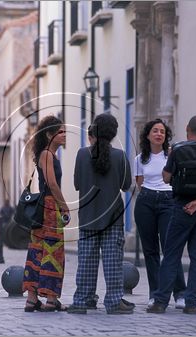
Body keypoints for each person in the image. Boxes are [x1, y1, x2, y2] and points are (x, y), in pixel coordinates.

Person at [147, 115, 196, 314]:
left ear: (188, 129)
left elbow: (165, 178)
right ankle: (192, 304)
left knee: (171, 254)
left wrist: (171, 160)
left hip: (180, 207)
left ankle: (161, 301)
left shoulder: (177, 152)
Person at [68, 114, 134, 315]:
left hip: (88, 216)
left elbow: (77, 184)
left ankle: (82, 300)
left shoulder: (81, 154)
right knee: (113, 261)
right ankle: (114, 301)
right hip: (112, 217)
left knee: (86, 261)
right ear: (113, 133)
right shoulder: (120, 156)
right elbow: (126, 186)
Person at [133, 119, 186, 310]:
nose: (159, 134)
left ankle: (180, 293)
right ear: (148, 135)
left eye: (162, 132)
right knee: (150, 251)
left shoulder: (171, 155)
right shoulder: (140, 159)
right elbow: (139, 182)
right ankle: (155, 294)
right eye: (155, 131)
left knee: (171, 248)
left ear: (166, 136)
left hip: (168, 201)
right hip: (146, 201)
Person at [22, 115, 69, 312]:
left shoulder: (47, 154)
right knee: (53, 253)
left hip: (41, 209)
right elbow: (51, 184)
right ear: (50, 135)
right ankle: (50, 299)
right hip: (50, 208)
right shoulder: (48, 155)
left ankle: (32, 299)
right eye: (61, 132)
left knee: (37, 251)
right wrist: (64, 206)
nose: (65, 135)